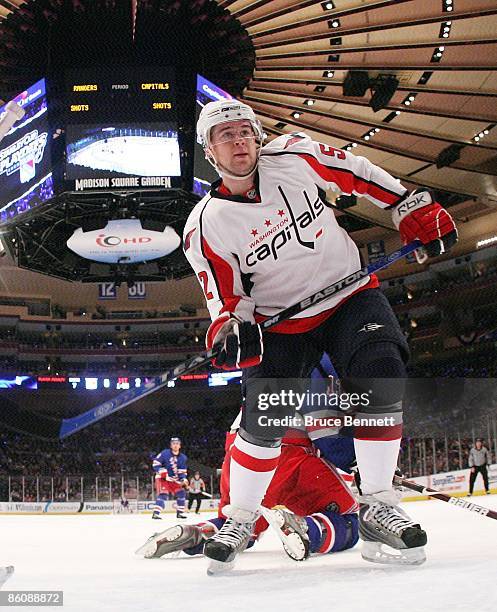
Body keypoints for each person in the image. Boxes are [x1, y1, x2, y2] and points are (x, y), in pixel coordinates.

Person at [183, 99, 457, 571]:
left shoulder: (293, 155)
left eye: (245, 131)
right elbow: (225, 297)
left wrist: (410, 205)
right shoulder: (205, 224)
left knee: (381, 372)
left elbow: (357, 171)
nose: (238, 141)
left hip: (348, 295)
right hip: (281, 324)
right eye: (225, 135)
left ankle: (378, 506)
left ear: (257, 135)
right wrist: (230, 327)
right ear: (211, 151)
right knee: (266, 416)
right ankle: (241, 517)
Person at [137, 408, 360, 567]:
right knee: (349, 520)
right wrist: (358, 464)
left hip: (239, 451)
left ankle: (197, 533)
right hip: (289, 447)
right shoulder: (315, 356)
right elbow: (329, 434)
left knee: (238, 523)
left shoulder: (259, 358)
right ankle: (309, 528)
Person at [152, 437, 188, 520]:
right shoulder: (165, 453)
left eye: (177, 444)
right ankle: (156, 514)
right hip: (163, 478)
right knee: (163, 494)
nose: (175, 445)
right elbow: (156, 463)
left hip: (173, 480)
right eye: (173, 444)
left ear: (180, 446)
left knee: (181, 493)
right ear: (171, 445)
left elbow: (182, 472)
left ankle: (180, 513)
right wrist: (162, 471)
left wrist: (183, 479)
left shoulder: (183, 457)